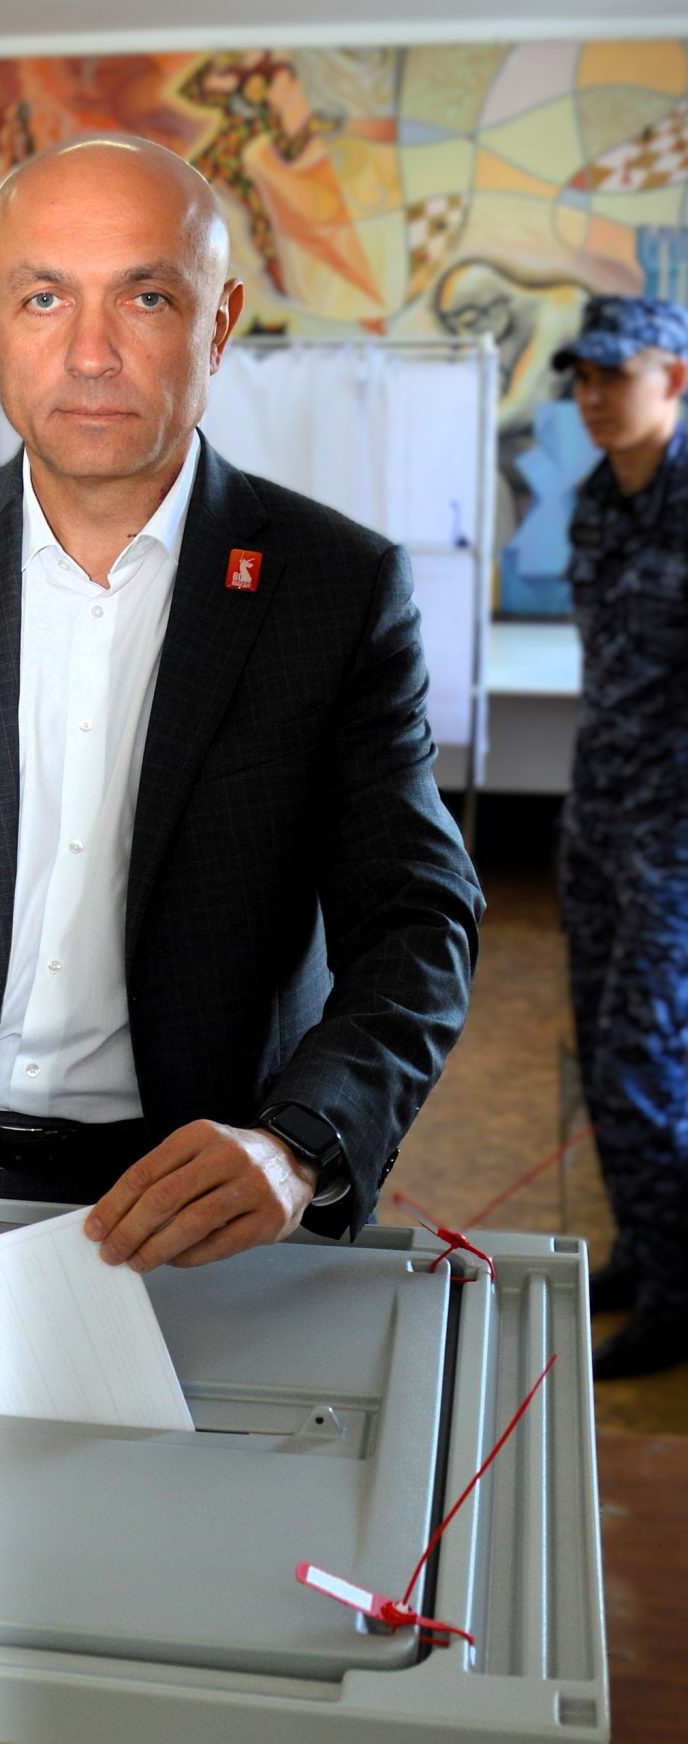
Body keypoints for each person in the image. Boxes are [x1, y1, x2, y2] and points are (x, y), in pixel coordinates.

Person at [0, 136, 483, 1331]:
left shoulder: (333, 589)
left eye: (144, 298)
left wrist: (297, 1142)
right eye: (44, 298)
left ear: (217, 325)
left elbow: (414, 914)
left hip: (213, 1195)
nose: (89, 353)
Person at [552, 295, 688, 1380]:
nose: (593, 397)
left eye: (615, 374)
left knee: (645, 1061)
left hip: (674, 838)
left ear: (673, 378)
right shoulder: (596, 500)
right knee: (602, 1060)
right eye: (582, 378)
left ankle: (679, 1297)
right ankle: (647, 1252)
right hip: (597, 817)